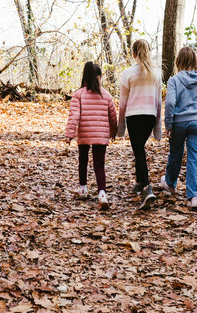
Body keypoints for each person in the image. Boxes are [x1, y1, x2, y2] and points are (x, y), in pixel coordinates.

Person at [162, 47, 197, 209]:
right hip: (196, 123)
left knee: (175, 154)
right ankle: (194, 196)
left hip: (178, 123)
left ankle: (170, 184)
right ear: (194, 61)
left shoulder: (174, 80)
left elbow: (170, 103)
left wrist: (168, 124)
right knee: (195, 157)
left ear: (178, 61)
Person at [117, 39, 162, 210]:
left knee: (139, 151)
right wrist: (157, 128)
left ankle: (146, 188)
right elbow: (158, 102)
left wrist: (120, 127)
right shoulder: (157, 73)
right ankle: (139, 183)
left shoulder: (127, 73)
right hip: (149, 116)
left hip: (134, 117)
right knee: (139, 150)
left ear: (133, 53)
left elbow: (123, 102)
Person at [66, 62, 118, 210]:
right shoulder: (106, 95)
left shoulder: (78, 94)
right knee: (99, 164)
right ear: (99, 77)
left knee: (83, 160)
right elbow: (113, 117)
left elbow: (74, 115)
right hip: (101, 136)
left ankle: (83, 188)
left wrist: (70, 133)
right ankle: (102, 193)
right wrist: (113, 132)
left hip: (84, 134)